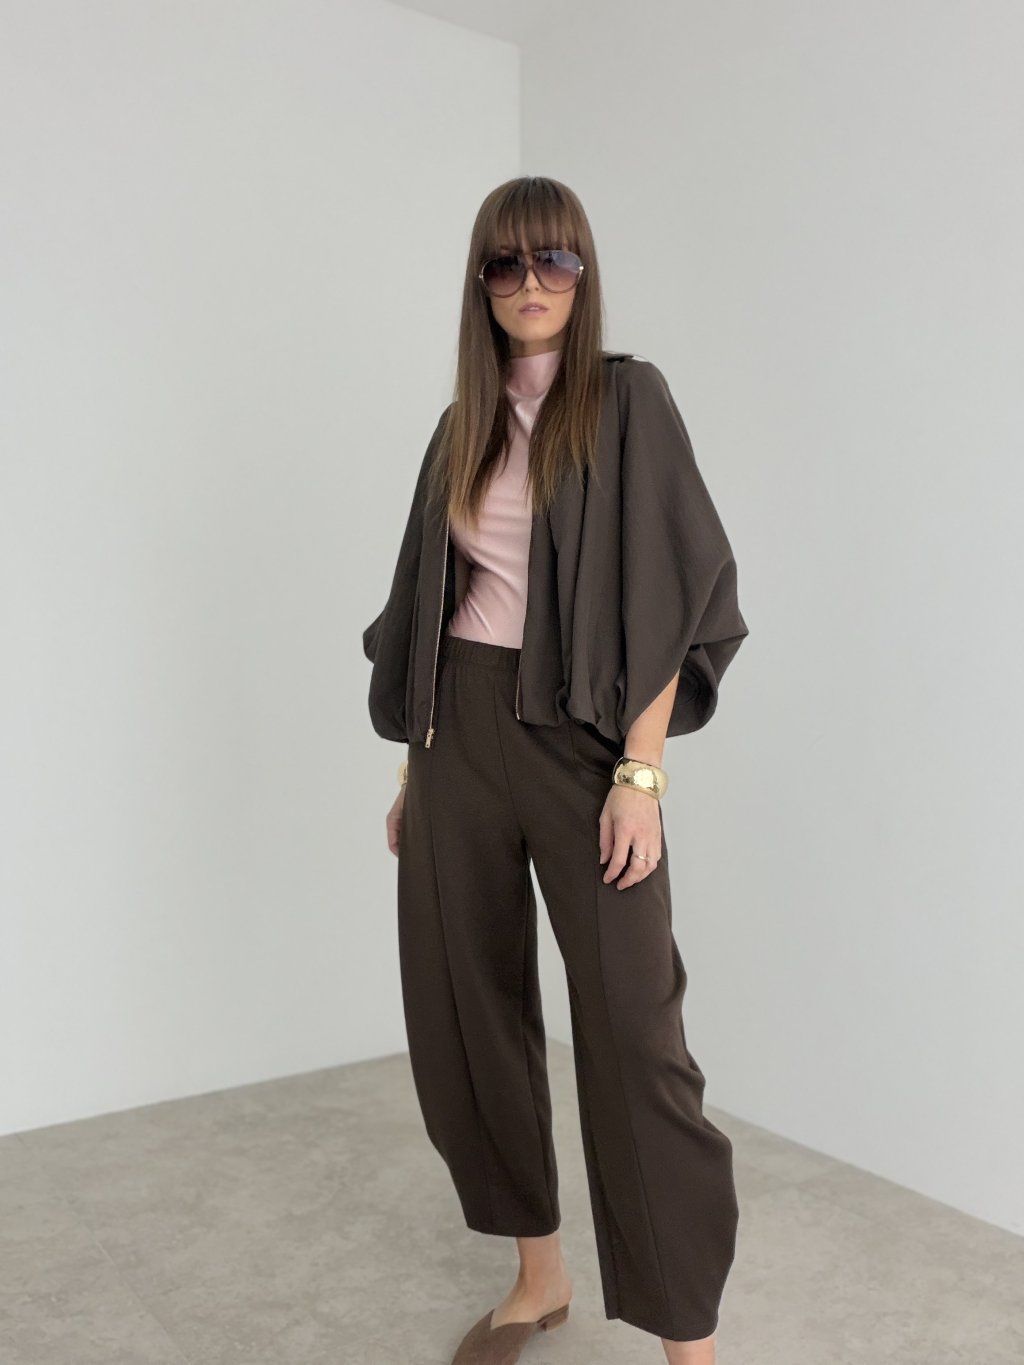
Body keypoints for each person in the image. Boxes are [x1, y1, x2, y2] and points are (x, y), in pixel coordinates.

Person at [361, 175, 749, 1365]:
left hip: (584, 747)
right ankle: (539, 1274)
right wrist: (416, 772)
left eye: (554, 261)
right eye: (506, 264)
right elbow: (432, 606)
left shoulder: (629, 403)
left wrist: (640, 775)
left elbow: (678, 598)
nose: (531, 284)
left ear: (583, 274)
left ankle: (689, 1342)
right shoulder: (460, 429)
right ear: (479, 284)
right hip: (456, 741)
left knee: (635, 1036)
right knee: (468, 1011)